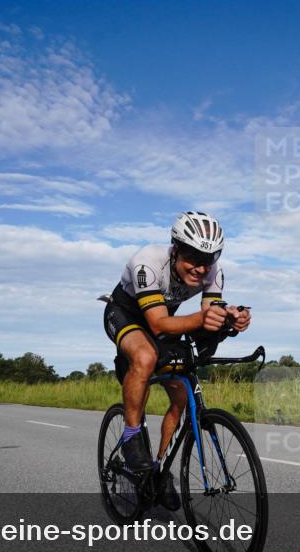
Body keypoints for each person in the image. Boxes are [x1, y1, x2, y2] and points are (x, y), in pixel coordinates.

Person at [103, 211, 251, 510]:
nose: (200, 268)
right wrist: (202, 318)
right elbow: (157, 325)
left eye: (208, 259)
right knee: (145, 357)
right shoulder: (147, 262)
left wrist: (229, 320)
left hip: (165, 319)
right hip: (126, 315)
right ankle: (132, 437)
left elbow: (209, 317)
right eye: (192, 258)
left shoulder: (213, 272)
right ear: (175, 249)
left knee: (182, 393)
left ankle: (158, 469)